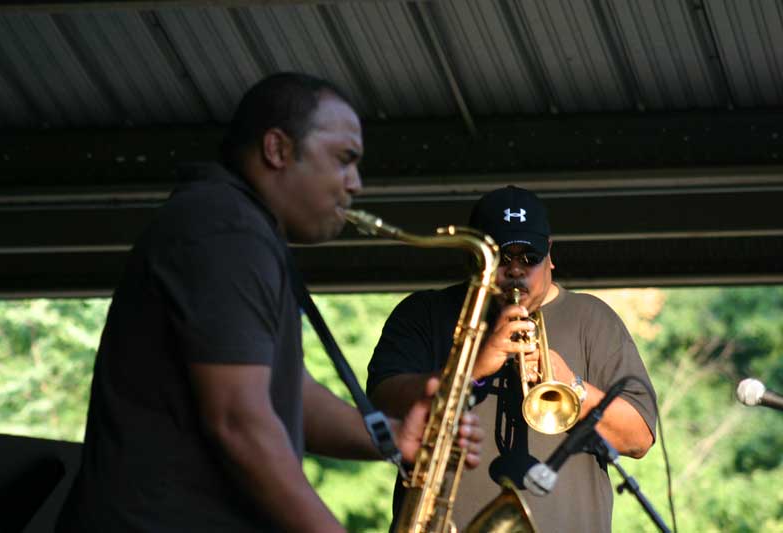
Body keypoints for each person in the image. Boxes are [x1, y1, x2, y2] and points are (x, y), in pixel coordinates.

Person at [55, 73, 483, 533]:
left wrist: (393, 437)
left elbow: (285, 391)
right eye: (344, 159)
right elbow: (240, 421)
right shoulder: (226, 229)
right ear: (277, 149)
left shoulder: (241, 229)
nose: (355, 183)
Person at [367, 186, 657, 532]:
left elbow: (638, 439)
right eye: (503, 259)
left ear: (550, 255)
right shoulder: (422, 313)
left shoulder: (593, 318)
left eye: (529, 258)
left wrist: (573, 387)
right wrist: (473, 368)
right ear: (476, 259)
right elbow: (383, 405)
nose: (516, 271)